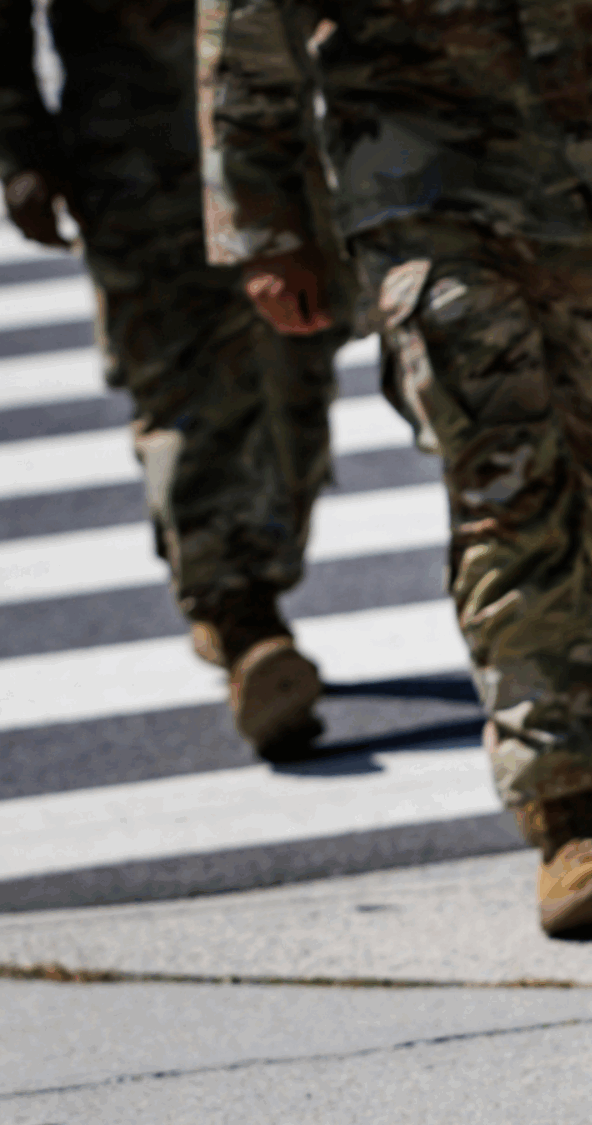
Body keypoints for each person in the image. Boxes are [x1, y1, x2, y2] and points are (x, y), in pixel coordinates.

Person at [200, 0, 592, 934]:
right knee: (507, 491)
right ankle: (570, 813)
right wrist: (265, 221)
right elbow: (245, 29)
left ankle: (555, 671)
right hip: (419, 194)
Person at [0, 0, 343, 760]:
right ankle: (242, 613)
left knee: (298, 372)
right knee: (185, 384)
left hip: (281, 143)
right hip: (139, 152)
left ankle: (248, 583)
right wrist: (20, 147)